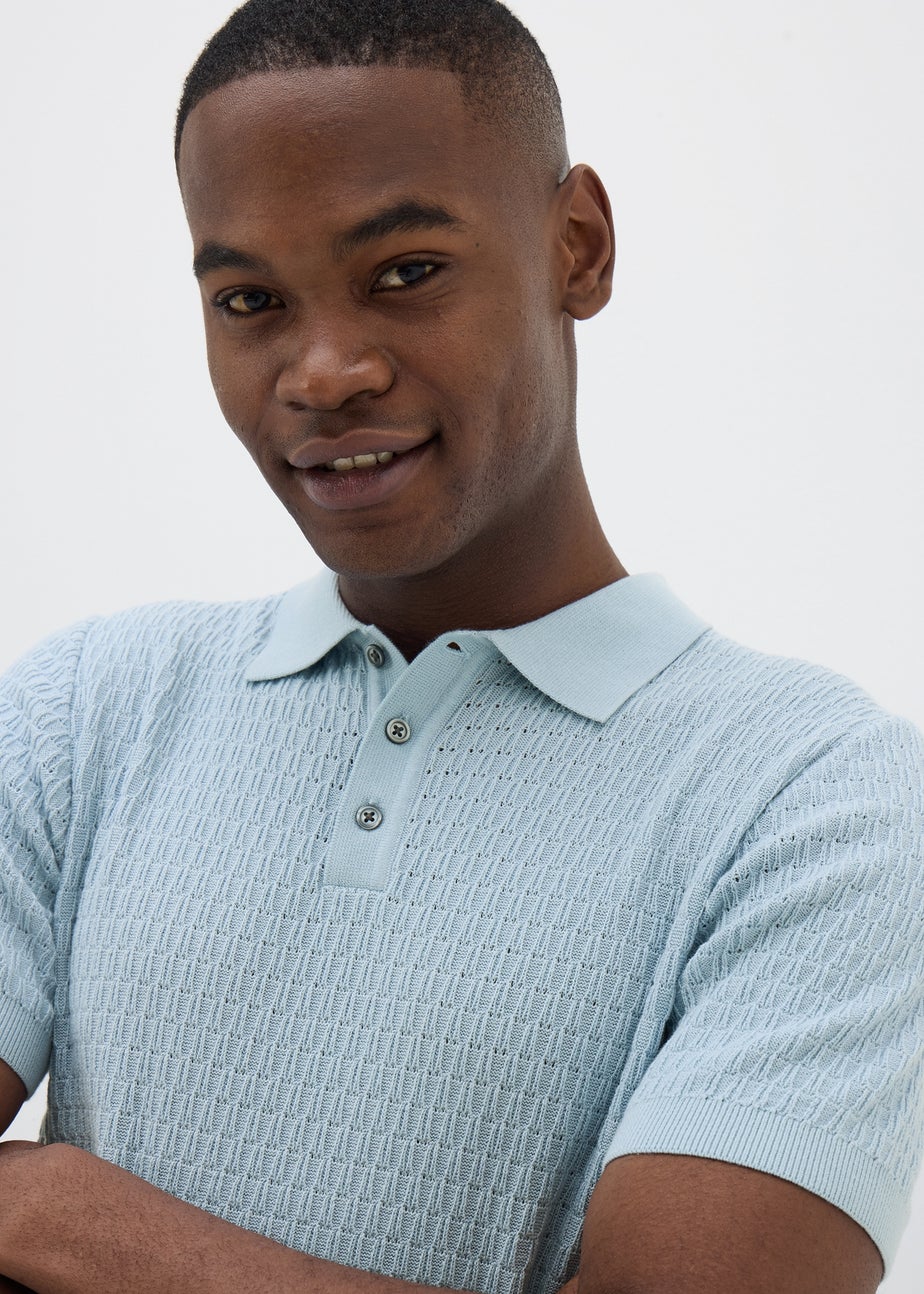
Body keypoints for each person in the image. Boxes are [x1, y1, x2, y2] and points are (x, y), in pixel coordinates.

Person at [0, 1, 921, 1290]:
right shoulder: (81, 715)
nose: (322, 371)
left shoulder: (819, 800)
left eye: (406, 271)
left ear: (577, 247)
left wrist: (60, 1217)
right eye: (250, 297)